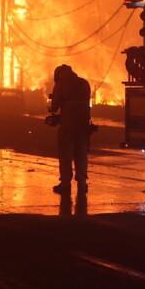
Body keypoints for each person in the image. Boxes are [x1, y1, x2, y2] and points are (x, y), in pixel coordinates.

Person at [49, 64, 92, 197]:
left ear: (59, 75)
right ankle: (82, 183)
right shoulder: (84, 83)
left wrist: (51, 108)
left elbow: (54, 107)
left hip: (68, 126)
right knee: (81, 154)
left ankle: (65, 184)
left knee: (65, 155)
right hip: (83, 124)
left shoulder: (61, 85)